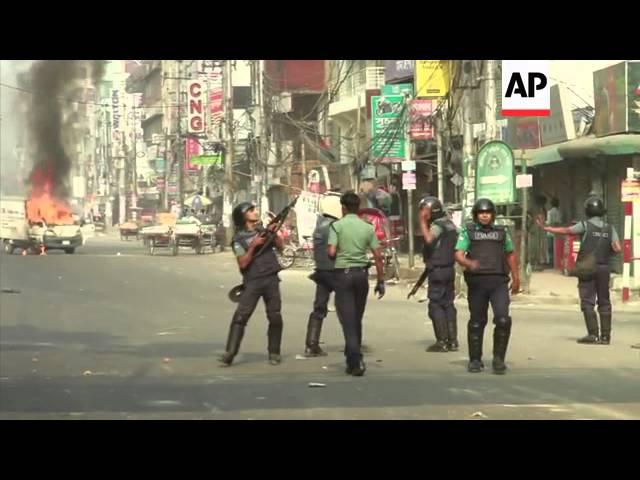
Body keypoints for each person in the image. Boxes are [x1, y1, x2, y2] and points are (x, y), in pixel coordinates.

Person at [537, 196, 621, 345]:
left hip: (587, 268)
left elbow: (566, 230)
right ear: (601, 212)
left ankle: (593, 334)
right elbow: (617, 248)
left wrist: (546, 228)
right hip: (604, 268)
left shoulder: (585, 225)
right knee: (604, 301)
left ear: (587, 211)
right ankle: (606, 336)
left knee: (588, 300)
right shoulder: (610, 228)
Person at [454, 198, 520, 374]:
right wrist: (469, 263)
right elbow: (459, 254)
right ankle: (475, 359)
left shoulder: (501, 233)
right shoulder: (468, 232)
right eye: (481, 213)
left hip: (498, 281)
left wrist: (516, 277)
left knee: (503, 319)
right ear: (476, 215)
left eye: (488, 212)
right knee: (477, 322)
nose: (484, 216)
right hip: (477, 283)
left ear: (493, 215)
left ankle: (499, 360)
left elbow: (511, 254)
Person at [219, 202, 285, 366]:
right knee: (241, 317)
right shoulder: (239, 239)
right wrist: (253, 246)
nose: (255, 212)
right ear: (243, 216)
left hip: (271, 278)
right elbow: (243, 263)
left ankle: (274, 353)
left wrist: (274, 233)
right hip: (253, 281)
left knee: (275, 316)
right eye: (251, 211)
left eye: (254, 210)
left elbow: (281, 247)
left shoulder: (264, 231)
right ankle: (230, 353)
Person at [327, 192, 385, 377]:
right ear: (358, 207)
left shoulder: (336, 226)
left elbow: (331, 252)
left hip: (343, 275)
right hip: (361, 276)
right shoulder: (367, 227)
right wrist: (381, 281)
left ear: (343, 207)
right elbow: (377, 255)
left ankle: (355, 359)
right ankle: (352, 358)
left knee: (348, 320)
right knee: (356, 318)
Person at [419, 195, 459, 352]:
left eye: (424, 211)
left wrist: (422, 221)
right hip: (449, 268)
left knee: (435, 305)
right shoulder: (450, 224)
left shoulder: (437, 225)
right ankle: (453, 340)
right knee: (448, 304)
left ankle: (441, 341)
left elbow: (429, 240)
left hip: (439, 270)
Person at [304, 195, 342, 357]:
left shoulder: (319, 226)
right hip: (336, 271)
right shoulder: (335, 226)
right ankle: (353, 342)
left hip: (321, 271)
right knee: (347, 308)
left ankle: (311, 343)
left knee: (319, 308)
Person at [545, 197, 562, 267]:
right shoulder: (559, 212)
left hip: (550, 232)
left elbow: (548, 222)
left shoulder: (549, 212)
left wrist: (544, 222)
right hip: (557, 232)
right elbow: (559, 222)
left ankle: (551, 263)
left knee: (550, 248)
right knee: (557, 248)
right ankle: (556, 262)